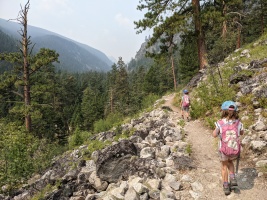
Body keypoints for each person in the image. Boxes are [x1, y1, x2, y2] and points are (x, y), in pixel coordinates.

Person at [212, 100, 244, 195]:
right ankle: (232, 177)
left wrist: (218, 133)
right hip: (234, 149)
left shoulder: (220, 122)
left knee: (223, 166)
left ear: (223, 111)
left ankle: (226, 186)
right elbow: (241, 133)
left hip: (224, 149)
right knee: (230, 162)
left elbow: (214, 134)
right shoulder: (238, 123)